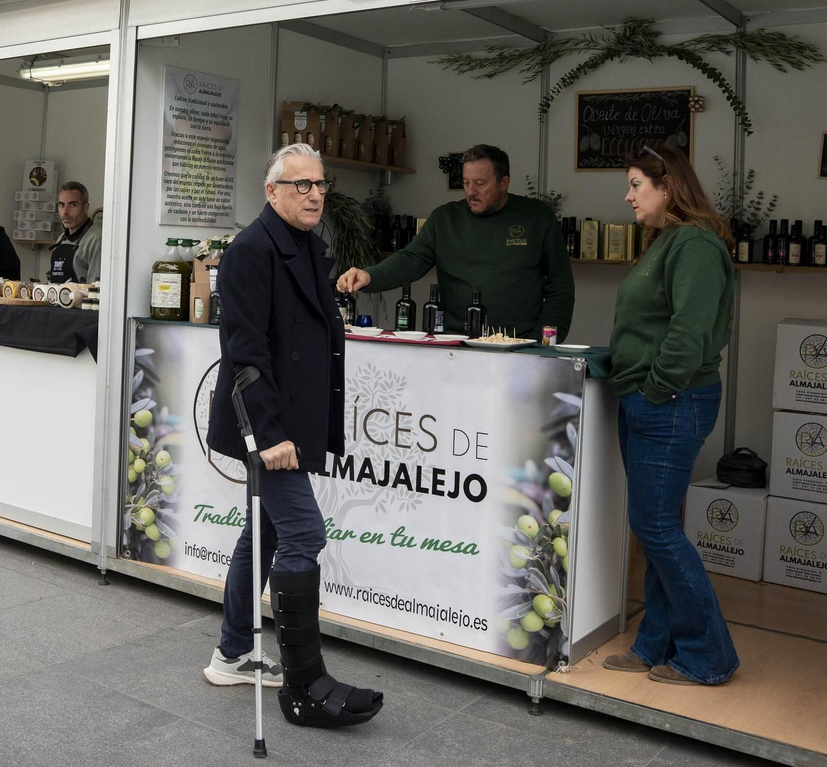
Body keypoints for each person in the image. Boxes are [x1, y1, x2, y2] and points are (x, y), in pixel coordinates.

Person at [203, 143, 383, 728]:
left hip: (294, 423)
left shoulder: (308, 247)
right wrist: (270, 435)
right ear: (271, 190)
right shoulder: (251, 252)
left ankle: (231, 654)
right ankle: (303, 685)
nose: (314, 194)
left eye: (320, 184)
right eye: (300, 184)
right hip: (268, 426)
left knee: (264, 535)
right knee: (303, 531)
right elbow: (245, 354)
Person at [604, 145, 740, 686]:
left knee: (656, 527)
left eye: (637, 184)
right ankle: (654, 643)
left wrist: (656, 389)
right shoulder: (667, 243)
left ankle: (710, 656)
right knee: (657, 525)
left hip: (671, 400)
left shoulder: (696, 245)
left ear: (668, 187)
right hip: (651, 397)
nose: (629, 195)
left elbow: (690, 332)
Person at [335, 144, 574, 339]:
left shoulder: (536, 217)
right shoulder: (445, 218)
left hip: (520, 344)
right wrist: (369, 276)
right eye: (466, 182)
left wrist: (542, 340)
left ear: (504, 183)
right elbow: (410, 260)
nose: (471, 191)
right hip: (456, 343)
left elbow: (560, 287)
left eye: (480, 184)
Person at [47, 181, 102, 284]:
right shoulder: (61, 239)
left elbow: (95, 290)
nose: (65, 212)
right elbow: (51, 279)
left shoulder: (96, 240)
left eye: (72, 205)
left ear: (85, 207)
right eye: (61, 205)